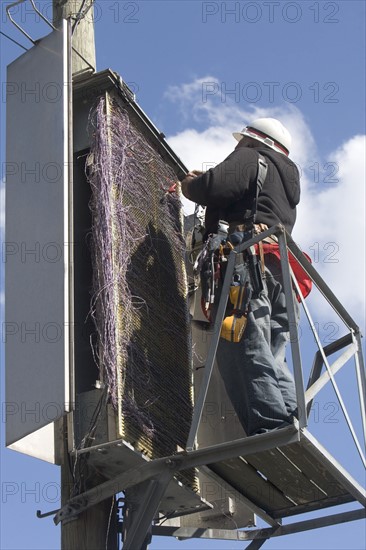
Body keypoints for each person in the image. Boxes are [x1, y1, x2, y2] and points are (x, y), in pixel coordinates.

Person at [181, 118, 301, 436]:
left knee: (242, 342)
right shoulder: (285, 186)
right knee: (274, 355)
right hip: (281, 274)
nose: (235, 148)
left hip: (248, 266)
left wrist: (191, 184)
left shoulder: (250, 157)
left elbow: (214, 187)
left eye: (239, 143)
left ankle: (270, 426)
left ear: (252, 141)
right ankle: (292, 420)